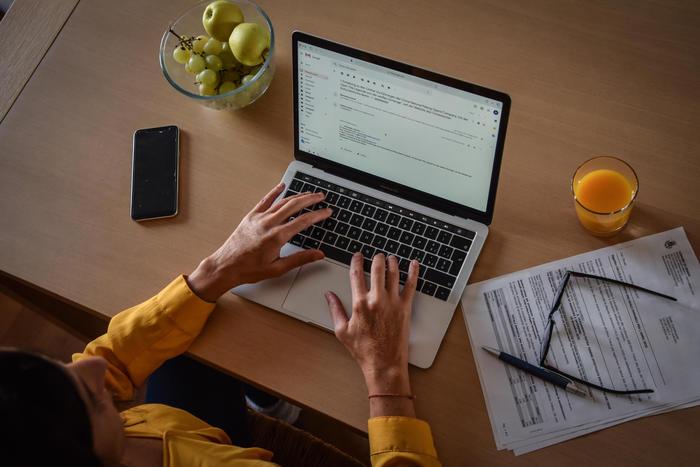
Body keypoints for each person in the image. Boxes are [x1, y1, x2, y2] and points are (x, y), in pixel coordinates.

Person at [0, 183, 441, 466]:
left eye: (55, 364)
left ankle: (270, 406)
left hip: (182, 429)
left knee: (195, 339)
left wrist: (215, 272)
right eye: (92, 402)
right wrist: (385, 373)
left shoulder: (53, 433)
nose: (89, 367)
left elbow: (108, 359)